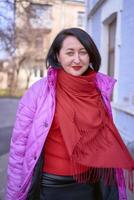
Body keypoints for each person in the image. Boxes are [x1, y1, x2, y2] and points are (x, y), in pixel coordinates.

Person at [6, 27, 134, 200]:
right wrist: (14, 194)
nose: (77, 59)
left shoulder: (98, 91)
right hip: (50, 187)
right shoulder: (38, 92)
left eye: (83, 52)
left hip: (89, 184)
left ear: (90, 56)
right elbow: (19, 147)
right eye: (70, 52)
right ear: (58, 56)